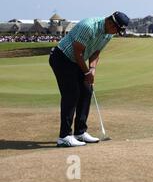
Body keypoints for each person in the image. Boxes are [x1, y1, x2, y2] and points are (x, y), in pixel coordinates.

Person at [49, 11, 130, 147]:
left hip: (76, 61)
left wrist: (92, 69)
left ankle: (80, 132)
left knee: (87, 90)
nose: (116, 32)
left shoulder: (108, 34)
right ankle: (64, 136)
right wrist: (86, 73)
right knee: (72, 94)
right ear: (110, 22)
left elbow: (96, 51)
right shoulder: (89, 26)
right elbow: (78, 52)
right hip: (62, 58)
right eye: (116, 29)